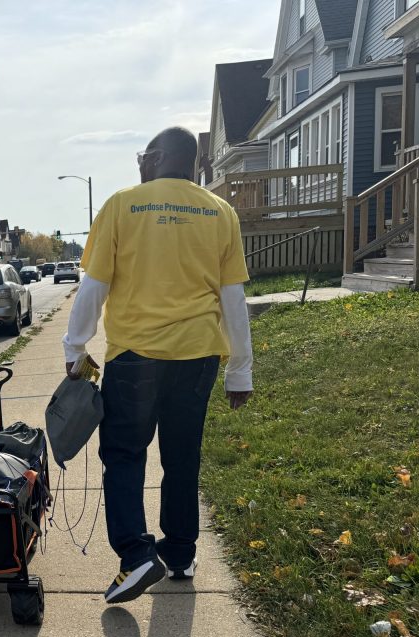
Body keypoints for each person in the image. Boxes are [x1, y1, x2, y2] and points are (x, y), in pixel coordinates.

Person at [63, 127, 253, 604]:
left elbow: (93, 287)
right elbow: (233, 299)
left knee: (124, 455)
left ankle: (135, 555)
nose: (140, 163)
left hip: (136, 357)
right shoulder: (219, 212)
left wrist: (75, 348)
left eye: (144, 155)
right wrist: (239, 370)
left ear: (162, 157)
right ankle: (181, 552)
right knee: (181, 456)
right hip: (198, 356)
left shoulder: (123, 205)